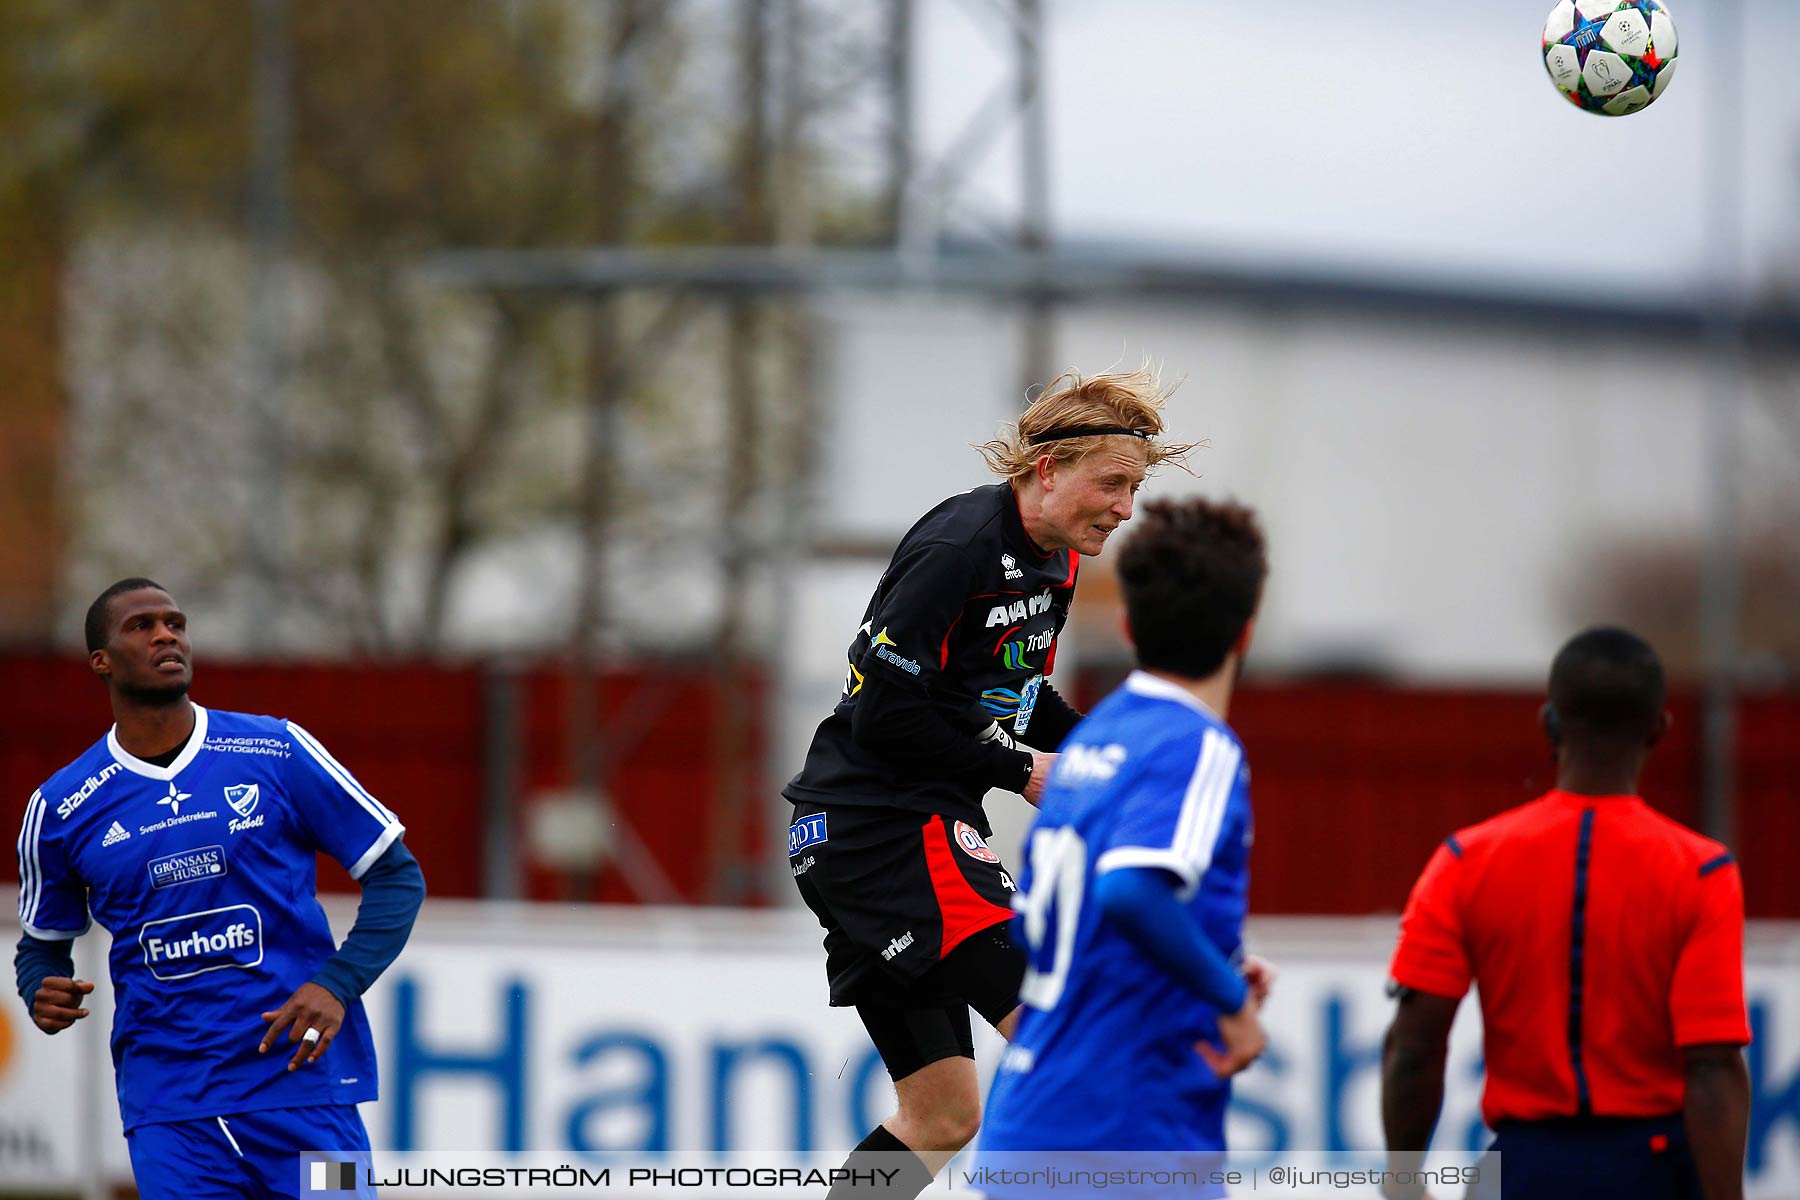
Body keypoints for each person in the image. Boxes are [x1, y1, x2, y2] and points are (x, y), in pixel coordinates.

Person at [783, 366, 1196, 1196]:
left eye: (1135, 487)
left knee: (941, 1118)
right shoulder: (960, 546)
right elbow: (880, 711)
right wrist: (1018, 771)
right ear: (1048, 469)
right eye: (1113, 484)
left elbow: (1015, 689)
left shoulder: (1056, 563)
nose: (1125, 507)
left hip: (884, 833)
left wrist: (1094, 751)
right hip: (884, 830)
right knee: (1070, 1036)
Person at [14, 578, 427, 1200]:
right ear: (100, 661)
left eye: (175, 623)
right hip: (169, 1107)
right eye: (141, 626)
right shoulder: (61, 807)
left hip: (302, 1088)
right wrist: (38, 989)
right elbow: (42, 945)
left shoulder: (274, 749)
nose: (165, 634)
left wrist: (336, 984)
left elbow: (397, 875)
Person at [1381, 627, 1751, 1200]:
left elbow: (1415, 1046)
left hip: (1524, 1168)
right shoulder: (1702, 872)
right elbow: (1713, 1065)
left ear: (1550, 722)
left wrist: (1402, 1183)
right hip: (1652, 1169)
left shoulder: (1465, 861)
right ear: (1659, 729)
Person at [976, 497, 1274, 1199]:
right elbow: (1129, 889)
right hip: (1125, 1134)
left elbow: (1059, 926)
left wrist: (1209, 958)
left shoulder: (1086, 748)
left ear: (1130, 625)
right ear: (1246, 633)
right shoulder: (1196, 745)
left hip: (1024, 1131)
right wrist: (1231, 998)